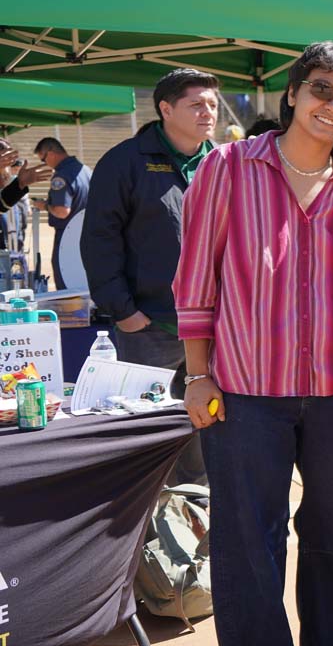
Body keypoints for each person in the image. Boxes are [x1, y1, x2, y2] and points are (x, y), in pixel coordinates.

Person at [173, 41, 333, 646]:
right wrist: (199, 371)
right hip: (242, 392)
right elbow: (195, 280)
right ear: (293, 92)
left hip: (331, 393)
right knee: (249, 538)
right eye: (323, 90)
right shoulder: (229, 169)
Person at [82, 67, 220, 487]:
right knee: (150, 431)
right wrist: (124, 312)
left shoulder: (222, 161)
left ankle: (196, 513)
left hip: (214, 327)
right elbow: (99, 240)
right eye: (196, 104)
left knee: (206, 428)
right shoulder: (125, 161)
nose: (207, 113)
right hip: (150, 327)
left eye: (212, 104)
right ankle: (146, 527)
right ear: (165, 109)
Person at [32, 137, 90, 289]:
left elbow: (62, 211)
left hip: (67, 238)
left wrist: (44, 205)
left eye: (44, 160)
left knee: (67, 288)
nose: (46, 164)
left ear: (50, 153)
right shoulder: (84, 170)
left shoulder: (61, 176)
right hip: (87, 236)